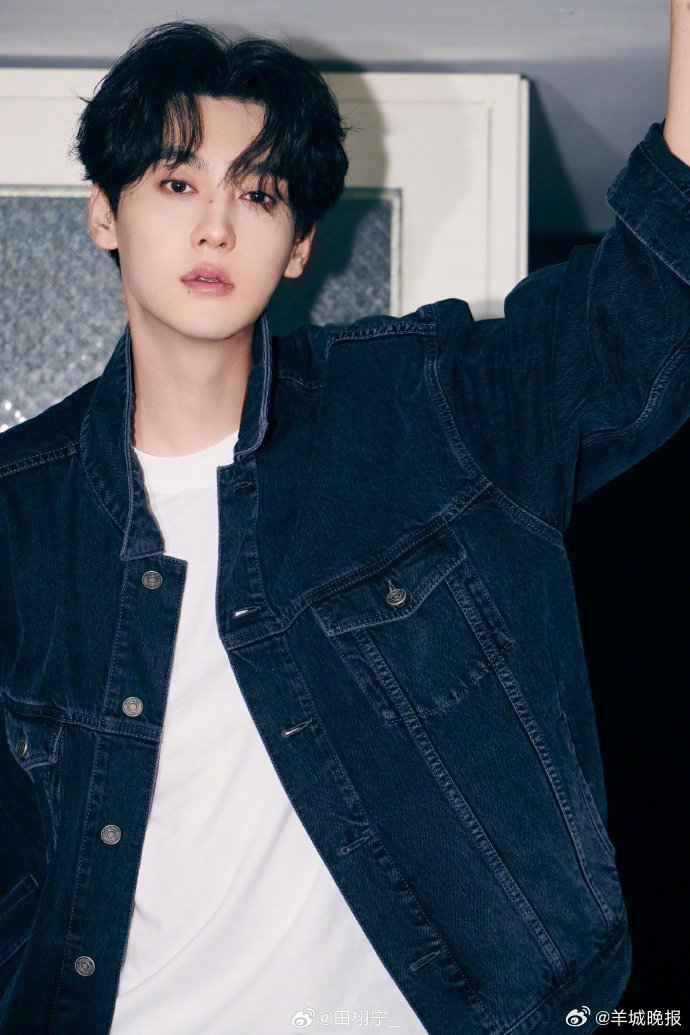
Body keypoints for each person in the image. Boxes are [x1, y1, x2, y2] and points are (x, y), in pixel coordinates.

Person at [1, 9, 689, 1034]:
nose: (217, 227)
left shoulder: (417, 410)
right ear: (104, 212)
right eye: (178, 183)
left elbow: (644, 310)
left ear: (300, 245)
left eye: (259, 193)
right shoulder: (18, 511)